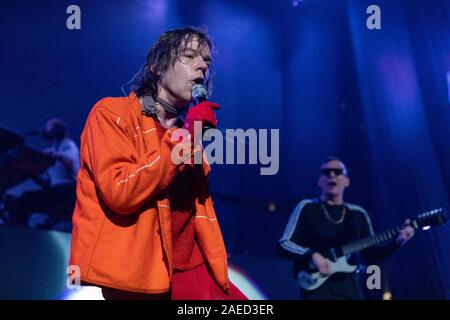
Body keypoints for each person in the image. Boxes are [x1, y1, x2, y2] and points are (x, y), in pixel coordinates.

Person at [69, 27, 247, 300]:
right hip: (140, 276)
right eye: (189, 55)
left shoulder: (187, 134)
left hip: (192, 270)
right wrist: (186, 137)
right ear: (157, 65)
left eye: (207, 61)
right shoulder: (111, 114)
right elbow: (120, 193)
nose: (202, 66)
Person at [278, 157, 415, 300]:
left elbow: (370, 255)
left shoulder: (358, 214)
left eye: (337, 172)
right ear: (319, 181)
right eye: (326, 172)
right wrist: (312, 255)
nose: (331, 175)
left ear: (346, 181)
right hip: (316, 289)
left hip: (349, 290)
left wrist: (396, 243)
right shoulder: (307, 207)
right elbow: (284, 243)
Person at [3, 118, 80, 231]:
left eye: (49, 126)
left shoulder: (67, 144)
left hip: (67, 191)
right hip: (56, 191)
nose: (44, 128)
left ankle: (20, 230)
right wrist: (31, 173)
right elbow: (46, 183)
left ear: (58, 129)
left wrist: (55, 154)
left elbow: (70, 161)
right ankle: (20, 227)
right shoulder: (54, 149)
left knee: (27, 199)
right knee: (20, 200)